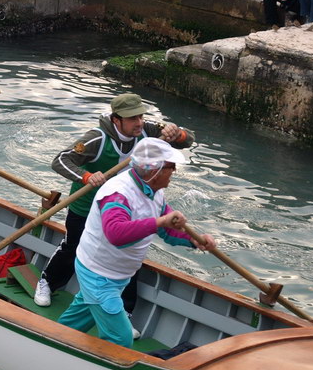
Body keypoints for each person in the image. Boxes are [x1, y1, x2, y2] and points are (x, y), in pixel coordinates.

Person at [34, 93, 195, 312]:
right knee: (73, 247)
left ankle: (126, 312)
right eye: (132, 119)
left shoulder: (148, 131)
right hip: (87, 205)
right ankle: (47, 282)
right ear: (116, 119)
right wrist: (86, 177)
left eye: (140, 116)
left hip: (126, 208)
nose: (138, 122)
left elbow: (188, 140)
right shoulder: (96, 139)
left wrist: (177, 133)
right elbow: (61, 160)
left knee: (130, 254)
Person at [57, 138, 216, 348]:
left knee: (70, 326)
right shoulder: (118, 194)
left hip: (119, 275)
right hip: (98, 275)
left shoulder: (155, 192)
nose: (175, 171)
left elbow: (167, 231)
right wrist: (159, 221)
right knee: (121, 339)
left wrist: (195, 240)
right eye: (170, 166)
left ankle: (46, 341)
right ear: (154, 170)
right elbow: (116, 234)